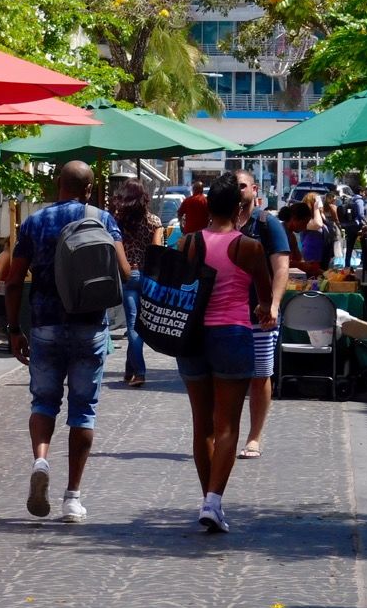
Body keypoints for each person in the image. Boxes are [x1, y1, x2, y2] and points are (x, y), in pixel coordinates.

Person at [5, 160, 130, 524]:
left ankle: (41, 460)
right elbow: (123, 271)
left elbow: (13, 281)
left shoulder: (35, 222)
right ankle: (72, 498)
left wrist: (14, 327)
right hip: (90, 326)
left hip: (44, 325)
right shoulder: (104, 219)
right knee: (83, 410)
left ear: (58, 184)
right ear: (89, 189)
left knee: (43, 402)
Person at [176, 173, 276, 533]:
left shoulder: (187, 243)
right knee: (228, 424)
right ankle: (213, 501)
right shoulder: (247, 247)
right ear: (238, 207)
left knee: (201, 423)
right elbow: (264, 296)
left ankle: (208, 499)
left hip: (191, 337)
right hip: (232, 334)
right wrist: (265, 311)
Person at [234, 170, 288, 461]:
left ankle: (254, 436)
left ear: (254, 189)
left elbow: (281, 269)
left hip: (259, 312)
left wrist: (274, 304)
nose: (238, 191)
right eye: (234, 186)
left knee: (260, 375)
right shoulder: (222, 223)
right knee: (228, 377)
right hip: (228, 313)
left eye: (242, 186)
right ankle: (227, 433)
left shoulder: (268, 224)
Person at [111, 179, 164, 388]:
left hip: (126, 275)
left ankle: (136, 371)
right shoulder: (154, 221)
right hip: (147, 277)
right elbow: (157, 251)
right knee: (138, 325)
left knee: (133, 324)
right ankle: (134, 370)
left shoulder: (117, 221)